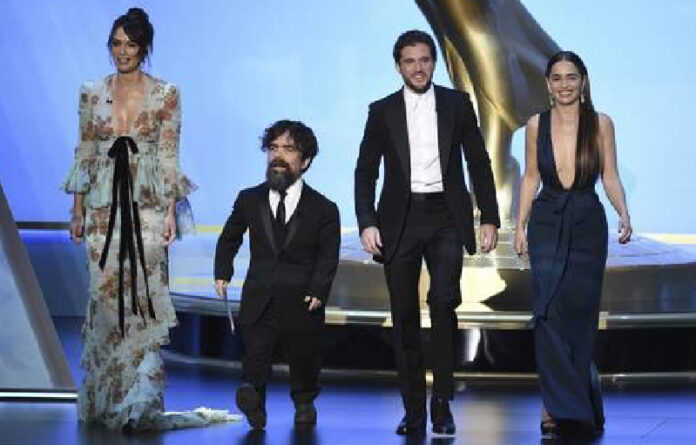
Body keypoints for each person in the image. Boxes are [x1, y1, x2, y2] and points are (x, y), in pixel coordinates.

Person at [62, 8, 236, 431]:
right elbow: (85, 153)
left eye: (131, 44)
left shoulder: (165, 94)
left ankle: (140, 400)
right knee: (105, 299)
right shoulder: (90, 92)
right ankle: (107, 398)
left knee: (144, 297)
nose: (123, 52)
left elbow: (167, 154)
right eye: (117, 43)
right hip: (103, 205)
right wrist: (78, 210)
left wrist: (172, 211)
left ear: (144, 48)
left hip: (147, 205)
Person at [354, 30, 500, 436]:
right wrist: (367, 221)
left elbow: (479, 160)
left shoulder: (458, 103)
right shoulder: (381, 111)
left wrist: (489, 215)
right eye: (409, 61)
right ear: (398, 65)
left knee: (442, 302)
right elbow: (366, 171)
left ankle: (442, 403)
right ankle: (413, 409)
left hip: (446, 217)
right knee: (403, 316)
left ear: (434, 62)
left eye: (424, 59)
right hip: (398, 219)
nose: (418, 67)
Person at [514, 51, 632, 439]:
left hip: (586, 221)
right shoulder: (535, 124)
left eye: (571, 77)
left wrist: (624, 213)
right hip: (547, 220)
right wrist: (520, 226)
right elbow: (530, 176)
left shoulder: (601, 124)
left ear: (583, 81)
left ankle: (578, 400)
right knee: (547, 313)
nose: (564, 85)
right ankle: (554, 406)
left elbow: (610, 175)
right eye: (557, 78)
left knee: (579, 319)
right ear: (547, 84)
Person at [214, 120, 340, 430]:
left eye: (288, 149)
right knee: (256, 354)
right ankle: (254, 400)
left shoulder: (324, 208)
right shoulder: (249, 198)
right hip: (260, 293)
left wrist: (319, 289)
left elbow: (328, 254)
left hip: (302, 298)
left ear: (305, 160)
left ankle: (304, 401)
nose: (278, 156)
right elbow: (230, 236)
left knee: (303, 356)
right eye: (273, 148)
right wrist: (223, 271)